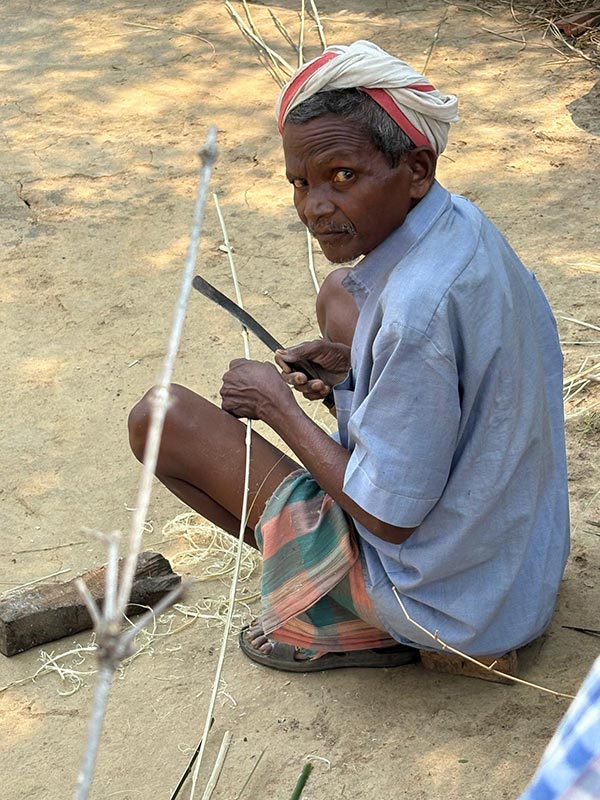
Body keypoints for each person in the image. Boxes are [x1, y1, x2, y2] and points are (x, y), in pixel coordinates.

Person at [128, 40, 570, 672]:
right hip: (519, 563)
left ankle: (363, 620)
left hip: (454, 606)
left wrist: (278, 408)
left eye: (343, 176)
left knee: (159, 419)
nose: (314, 207)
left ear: (416, 169)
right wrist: (353, 370)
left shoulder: (415, 312)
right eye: (300, 183)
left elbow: (389, 521)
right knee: (341, 293)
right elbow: (452, 378)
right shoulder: (464, 225)